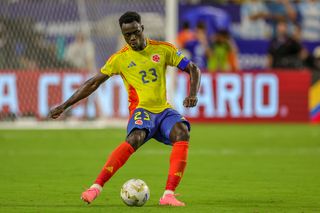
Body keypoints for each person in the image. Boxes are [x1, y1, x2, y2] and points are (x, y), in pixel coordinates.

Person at [49, 11, 201, 207]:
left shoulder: (163, 50)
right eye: (127, 35)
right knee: (135, 138)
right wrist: (64, 105)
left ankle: (168, 195)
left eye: (135, 32)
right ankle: (95, 188)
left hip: (163, 110)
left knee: (182, 131)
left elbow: (193, 69)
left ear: (142, 29)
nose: (132, 38)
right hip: (142, 110)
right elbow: (93, 83)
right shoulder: (120, 58)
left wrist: (193, 94)